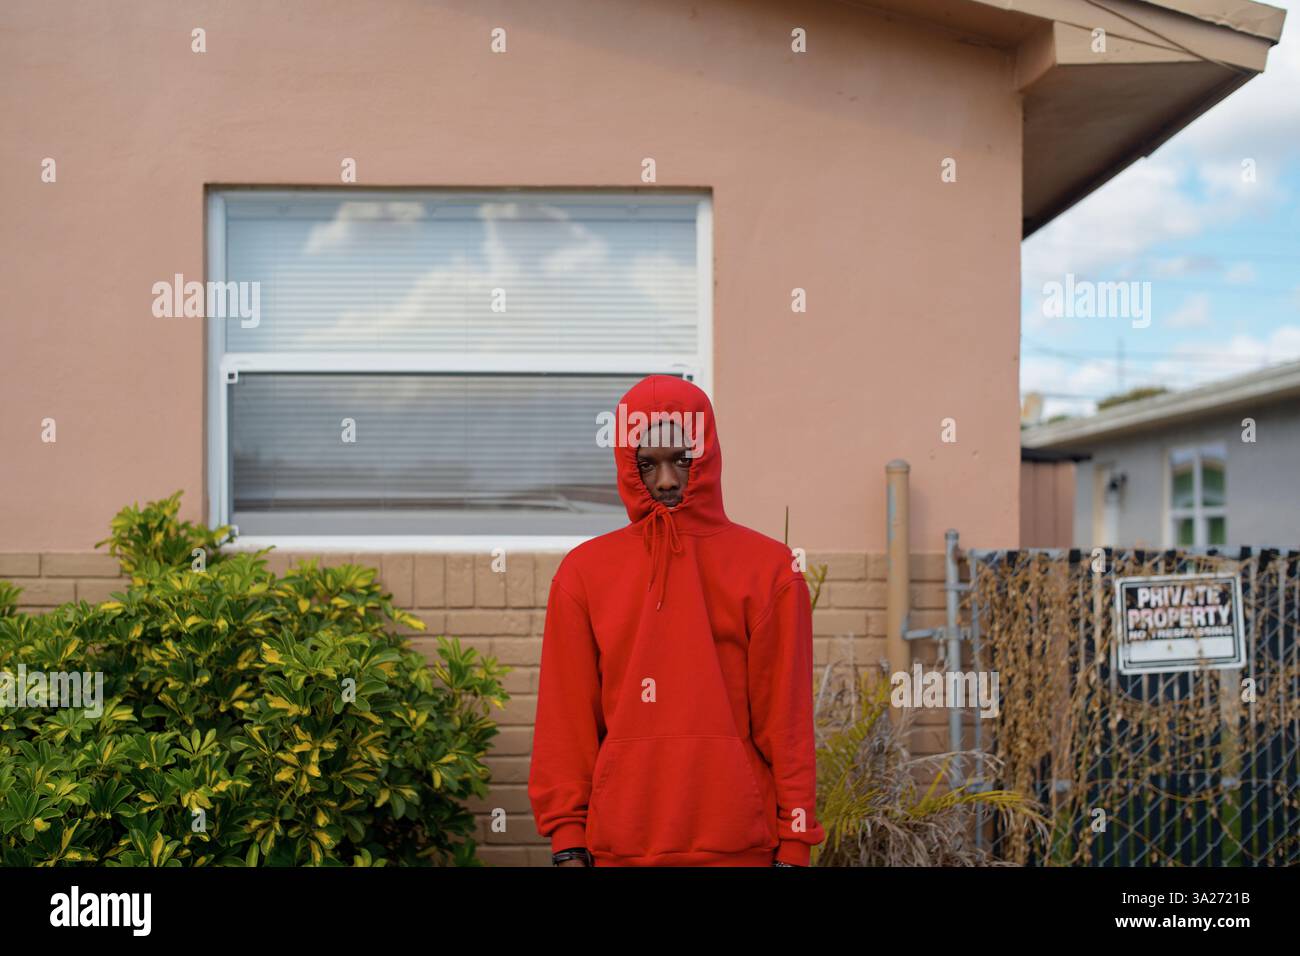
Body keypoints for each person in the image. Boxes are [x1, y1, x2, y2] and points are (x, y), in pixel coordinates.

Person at [528, 374, 825, 867]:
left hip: (741, 846)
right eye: (647, 464)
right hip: (620, 845)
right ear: (627, 465)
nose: (666, 481)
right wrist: (568, 841)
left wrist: (795, 842)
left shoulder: (770, 569)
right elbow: (566, 720)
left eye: (681, 460)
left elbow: (786, 723)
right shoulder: (584, 573)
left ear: (705, 454)